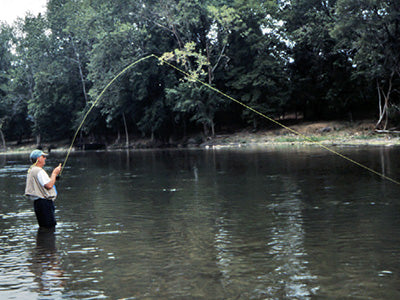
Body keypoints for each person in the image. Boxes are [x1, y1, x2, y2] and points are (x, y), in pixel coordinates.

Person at [25, 149, 62, 228]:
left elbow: (42, 183)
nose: (45, 158)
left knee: (44, 227)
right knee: (50, 227)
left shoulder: (31, 170)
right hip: (44, 204)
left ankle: (43, 240)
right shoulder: (39, 171)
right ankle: (47, 240)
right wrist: (54, 173)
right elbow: (49, 185)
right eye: (43, 156)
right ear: (38, 159)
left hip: (38, 204)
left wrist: (54, 177)